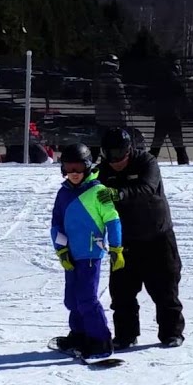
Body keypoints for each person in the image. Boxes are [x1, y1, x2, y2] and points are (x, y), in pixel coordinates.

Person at [92, 127, 185, 349]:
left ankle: (172, 333)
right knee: (121, 294)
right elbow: (88, 186)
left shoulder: (147, 162)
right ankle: (125, 335)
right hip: (124, 241)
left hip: (157, 236)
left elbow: (147, 188)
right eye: (110, 156)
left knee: (165, 290)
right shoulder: (103, 169)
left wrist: (119, 193)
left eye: (120, 155)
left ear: (129, 150)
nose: (116, 161)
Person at [50, 144, 123, 360]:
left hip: (91, 253)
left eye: (78, 167)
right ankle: (79, 335)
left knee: (86, 298)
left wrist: (116, 248)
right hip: (71, 254)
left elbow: (113, 220)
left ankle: (100, 341)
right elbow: (56, 225)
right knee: (72, 299)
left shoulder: (98, 192)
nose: (73, 173)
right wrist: (61, 250)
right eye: (69, 167)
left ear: (88, 166)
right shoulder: (63, 194)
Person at [148, 59, 190, 165]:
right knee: (179, 146)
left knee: (156, 146)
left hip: (161, 117)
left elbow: (152, 97)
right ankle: (184, 164)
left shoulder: (161, 82)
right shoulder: (177, 83)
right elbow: (184, 99)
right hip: (173, 117)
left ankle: (148, 163)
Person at [90, 54, 130, 161]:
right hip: (116, 119)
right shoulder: (116, 81)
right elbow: (122, 100)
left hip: (100, 118)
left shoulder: (96, 81)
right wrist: (129, 106)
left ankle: (94, 160)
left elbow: (93, 99)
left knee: (101, 142)